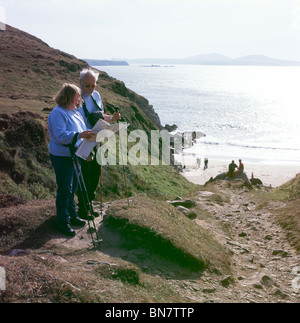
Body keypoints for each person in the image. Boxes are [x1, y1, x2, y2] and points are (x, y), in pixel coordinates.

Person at [48, 83, 95, 236]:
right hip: (63, 156)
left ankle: (72, 216)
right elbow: (61, 136)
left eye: (78, 100)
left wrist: (88, 138)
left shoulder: (74, 111)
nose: (78, 102)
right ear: (67, 97)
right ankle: (62, 221)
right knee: (65, 189)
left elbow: (80, 129)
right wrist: (81, 136)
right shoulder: (57, 113)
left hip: (76, 154)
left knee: (73, 187)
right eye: (76, 100)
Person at [77, 68, 121, 220]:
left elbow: (101, 117)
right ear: (80, 83)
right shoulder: (76, 98)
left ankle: (89, 205)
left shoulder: (96, 95)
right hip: (84, 141)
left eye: (93, 85)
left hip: (98, 140)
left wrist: (112, 119)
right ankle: (82, 209)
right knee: (85, 176)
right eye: (87, 85)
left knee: (95, 175)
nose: (90, 89)